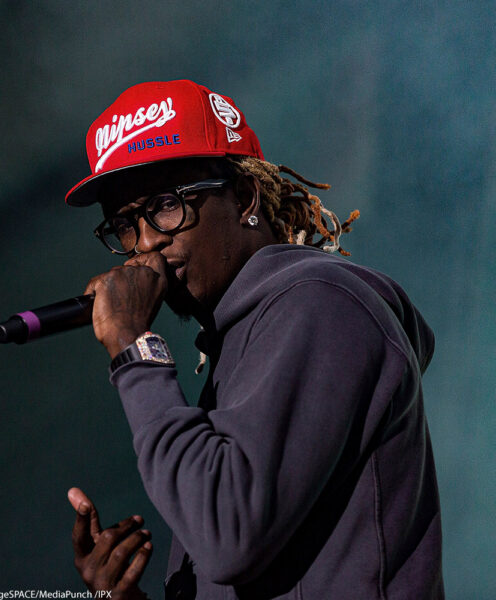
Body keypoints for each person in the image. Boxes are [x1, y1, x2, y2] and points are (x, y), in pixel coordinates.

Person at [64, 80, 444, 599]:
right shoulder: (240, 341)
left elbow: (229, 534)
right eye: (125, 224)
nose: (147, 242)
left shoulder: (320, 303)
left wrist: (135, 348)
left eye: (167, 205)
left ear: (245, 197)